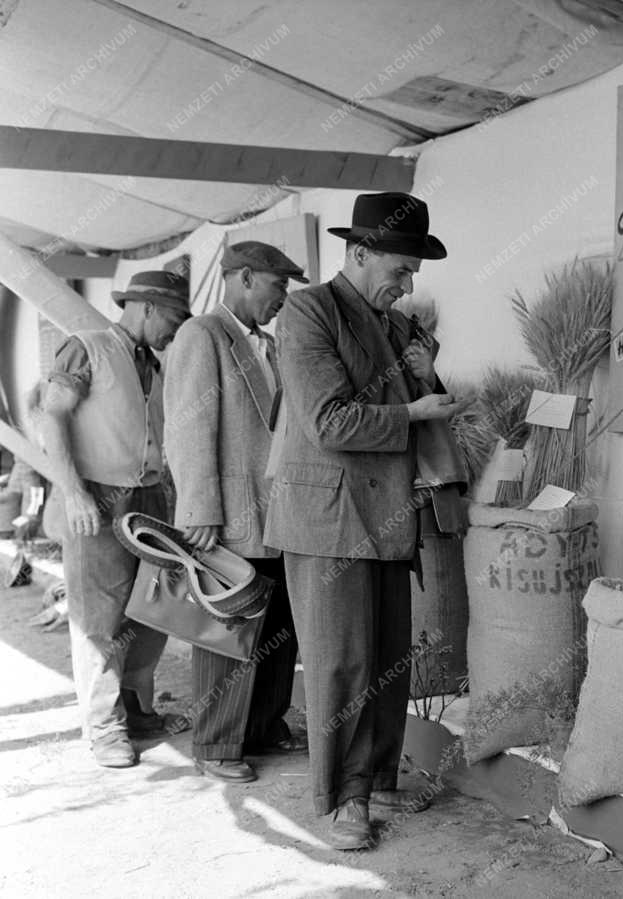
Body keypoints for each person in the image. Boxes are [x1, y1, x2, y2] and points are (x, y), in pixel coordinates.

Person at [264, 192, 461, 850]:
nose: (405, 285)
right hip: (327, 517)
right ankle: (345, 801)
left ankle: (373, 776)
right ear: (358, 253)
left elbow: (426, 394)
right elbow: (330, 421)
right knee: (342, 662)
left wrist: (426, 369)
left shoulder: (400, 327)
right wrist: (414, 412)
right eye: (399, 270)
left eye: (411, 276)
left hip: (387, 513)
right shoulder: (306, 311)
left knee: (386, 661)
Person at [163, 241, 308, 782]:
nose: (284, 296)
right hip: (229, 513)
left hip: (275, 511)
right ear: (244, 278)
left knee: (277, 626)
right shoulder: (201, 335)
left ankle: (263, 727)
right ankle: (217, 745)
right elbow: (186, 428)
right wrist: (199, 509)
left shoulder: (266, 344)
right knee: (229, 631)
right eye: (278, 284)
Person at [39, 270, 192, 768]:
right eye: (172, 316)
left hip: (149, 496)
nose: (176, 329)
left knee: (151, 612)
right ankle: (103, 730)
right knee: (99, 619)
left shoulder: (153, 362)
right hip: (97, 499)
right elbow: (52, 416)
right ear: (146, 307)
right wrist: (74, 493)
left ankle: (136, 710)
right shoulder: (87, 346)